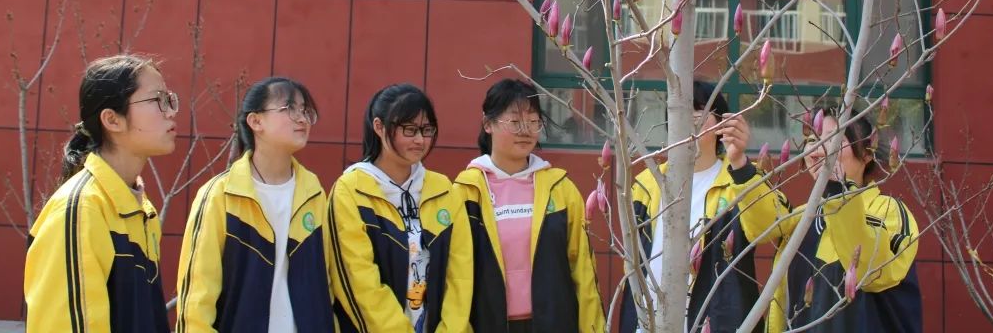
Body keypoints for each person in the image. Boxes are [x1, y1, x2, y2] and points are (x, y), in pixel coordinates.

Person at [24, 54, 178, 332]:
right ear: (112, 120)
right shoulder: (81, 209)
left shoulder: (141, 208)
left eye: (169, 99)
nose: (170, 112)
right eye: (157, 100)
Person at [620, 81, 785, 333]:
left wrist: (740, 162)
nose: (689, 122)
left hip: (717, 323)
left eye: (698, 113)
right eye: (680, 114)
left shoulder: (740, 180)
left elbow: (774, 226)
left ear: (722, 125)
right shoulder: (647, 183)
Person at [175, 76, 335, 332]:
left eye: (305, 111)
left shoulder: (313, 191)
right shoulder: (220, 195)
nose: (302, 119)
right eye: (290, 109)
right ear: (256, 121)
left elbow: (325, 282)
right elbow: (197, 295)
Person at [454, 78, 605, 333]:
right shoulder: (466, 192)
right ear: (488, 124)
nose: (525, 130)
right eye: (515, 122)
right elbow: (454, 276)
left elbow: (583, 270)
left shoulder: (561, 189)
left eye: (533, 121)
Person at [328, 83, 472, 333]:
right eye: (409, 129)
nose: (420, 140)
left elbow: (461, 273)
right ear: (379, 127)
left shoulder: (443, 189)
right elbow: (359, 279)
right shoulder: (351, 191)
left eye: (426, 130)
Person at [765, 107, 920, 332]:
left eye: (833, 140)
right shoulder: (800, 220)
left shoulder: (888, 211)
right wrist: (740, 166)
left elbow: (874, 273)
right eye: (812, 140)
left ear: (867, 154)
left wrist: (839, 191)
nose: (818, 150)